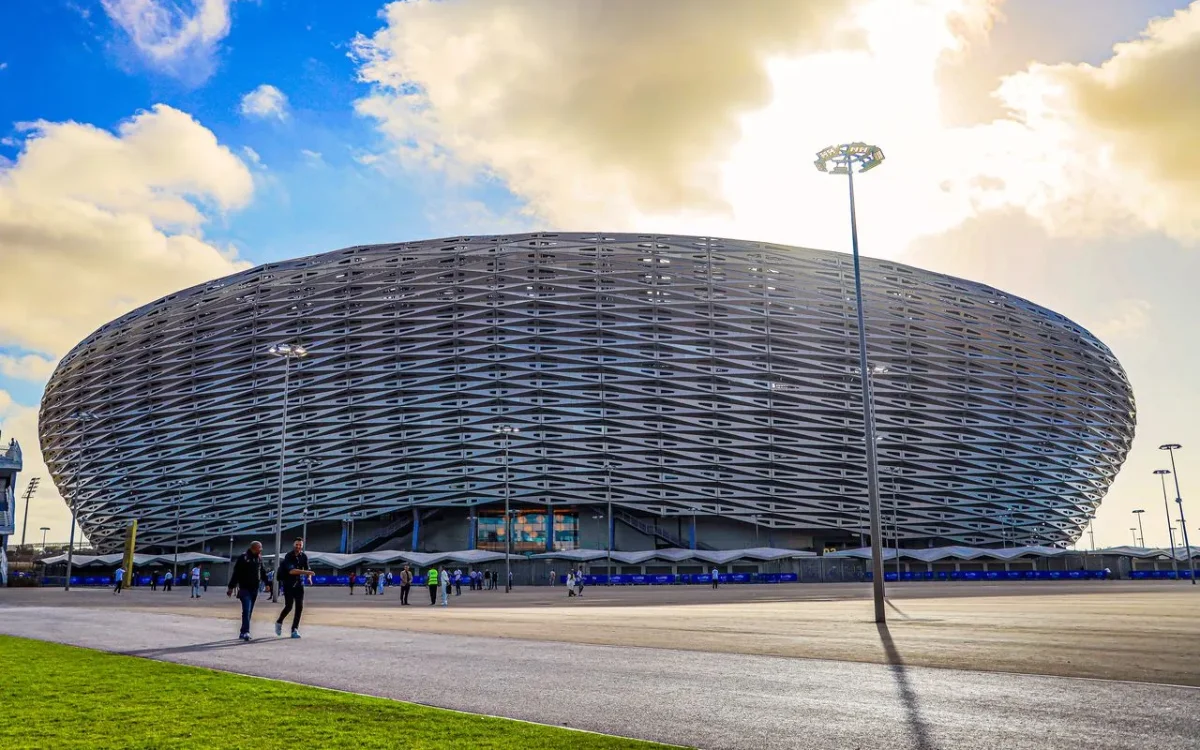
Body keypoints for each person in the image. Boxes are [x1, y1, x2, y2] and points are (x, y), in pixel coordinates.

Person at [227, 541, 270, 641]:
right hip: (244, 589)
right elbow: (236, 573)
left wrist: (267, 584)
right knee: (246, 610)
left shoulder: (259, 558)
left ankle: (243, 631)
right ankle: (246, 631)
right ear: (254, 548)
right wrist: (231, 587)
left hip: (255, 589)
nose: (261, 549)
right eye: (260, 548)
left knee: (249, 611)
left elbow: (263, 572)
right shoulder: (243, 557)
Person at [275, 538, 315, 639]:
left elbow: (307, 569)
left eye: (300, 545)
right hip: (288, 584)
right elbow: (292, 571)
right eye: (296, 545)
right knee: (289, 606)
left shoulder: (304, 556)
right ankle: (279, 621)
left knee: (299, 607)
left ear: (302, 546)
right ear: (294, 545)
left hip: (299, 584)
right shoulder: (289, 556)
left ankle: (294, 629)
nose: (298, 547)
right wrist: (307, 573)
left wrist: (309, 577)